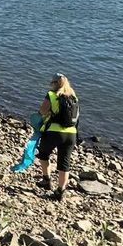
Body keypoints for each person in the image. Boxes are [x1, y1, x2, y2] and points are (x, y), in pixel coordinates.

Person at [37, 73, 80, 201]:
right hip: (71, 134)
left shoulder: (52, 95)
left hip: (54, 132)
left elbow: (42, 111)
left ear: (56, 83)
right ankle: (60, 191)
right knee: (64, 163)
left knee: (43, 153)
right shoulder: (74, 97)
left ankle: (46, 180)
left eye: (52, 82)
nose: (50, 84)